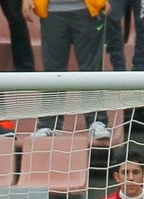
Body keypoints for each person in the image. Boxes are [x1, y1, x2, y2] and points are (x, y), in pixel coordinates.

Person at [28, 0, 110, 141]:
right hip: (51, 10)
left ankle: (96, 121)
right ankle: (49, 124)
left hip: (88, 8)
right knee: (52, 71)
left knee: (91, 69)